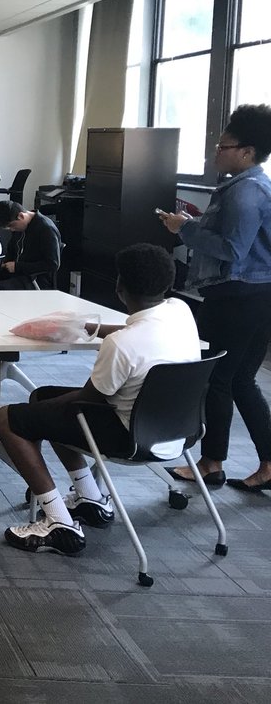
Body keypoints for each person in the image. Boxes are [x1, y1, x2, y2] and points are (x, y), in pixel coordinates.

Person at [0, 244, 200, 555]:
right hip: (176, 431)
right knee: (42, 396)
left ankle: (58, 523)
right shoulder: (179, 311)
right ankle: (90, 499)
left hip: (129, 437)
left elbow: (87, 398)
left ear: (119, 287)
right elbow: (140, 327)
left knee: (7, 418)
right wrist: (89, 328)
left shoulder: (121, 345)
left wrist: (35, 413)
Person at [158, 104, 271, 492]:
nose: (216, 151)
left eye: (224, 146)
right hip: (256, 294)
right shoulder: (252, 186)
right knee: (241, 380)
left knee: (218, 379)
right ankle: (267, 464)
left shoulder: (245, 192)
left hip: (238, 296)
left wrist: (184, 229)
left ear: (247, 152)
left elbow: (233, 249)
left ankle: (211, 464)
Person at [0, 200, 62, 290]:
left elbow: (53, 264)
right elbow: (11, 252)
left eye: (12, 225)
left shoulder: (46, 228)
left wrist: (17, 267)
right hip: (18, 275)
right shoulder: (19, 228)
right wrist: (3, 264)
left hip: (36, 280)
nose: (12, 229)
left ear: (21, 216)